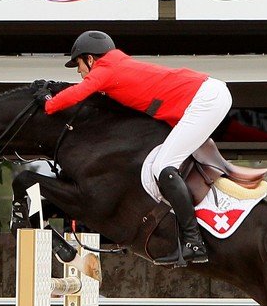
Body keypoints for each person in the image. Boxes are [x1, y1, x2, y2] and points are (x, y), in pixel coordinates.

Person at [42, 31, 232, 267]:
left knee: (163, 166)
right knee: (156, 166)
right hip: (207, 95)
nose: (79, 72)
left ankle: (194, 242)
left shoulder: (105, 69)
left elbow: (79, 93)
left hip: (206, 99)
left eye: (78, 65)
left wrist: (48, 103)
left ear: (90, 59)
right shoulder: (114, 68)